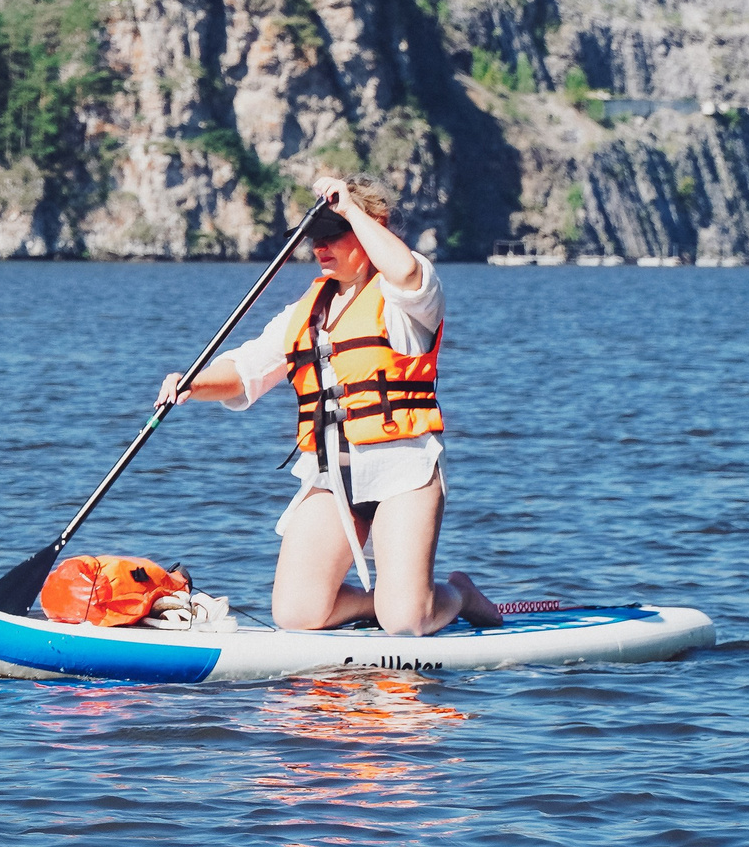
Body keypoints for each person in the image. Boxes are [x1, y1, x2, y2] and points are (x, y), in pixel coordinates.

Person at [159, 174, 501, 636]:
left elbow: (405, 274)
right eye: (313, 237)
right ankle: (378, 604)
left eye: (332, 234)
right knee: (298, 615)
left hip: (404, 472)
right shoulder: (308, 308)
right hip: (331, 477)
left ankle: (456, 593)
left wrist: (351, 212)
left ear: (372, 227)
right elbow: (246, 369)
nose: (320, 247)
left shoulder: (409, 292)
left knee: (406, 622)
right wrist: (191, 384)